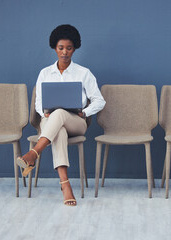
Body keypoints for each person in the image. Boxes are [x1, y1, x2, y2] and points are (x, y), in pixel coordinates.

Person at [17, 24, 106, 206]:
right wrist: (45, 113)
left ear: (75, 48)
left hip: (77, 122)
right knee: (59, 130)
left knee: (60, 116)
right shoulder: (45, 73)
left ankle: (34, 153)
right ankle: (66, 186)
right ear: (54, 48)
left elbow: (99, 101)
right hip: (51, 122)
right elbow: (38, 103)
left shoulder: (84, 73)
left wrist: (85, 112)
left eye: (69, 48)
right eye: (61, 48)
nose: (64, 52)